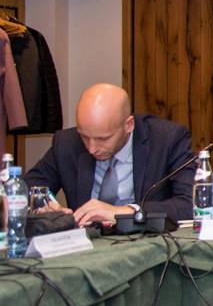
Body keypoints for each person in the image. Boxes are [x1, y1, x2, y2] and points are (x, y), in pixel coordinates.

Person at [25, 83, 195, 227]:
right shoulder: (67, 143)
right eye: (84, 137)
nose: (92, 148)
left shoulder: (166, 140)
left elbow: (190, 204)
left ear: (129, 125)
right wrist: (46, 205)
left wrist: (124, 212)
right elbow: (25, 189)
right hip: (87, 245)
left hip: (147, 243)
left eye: (103, 139)